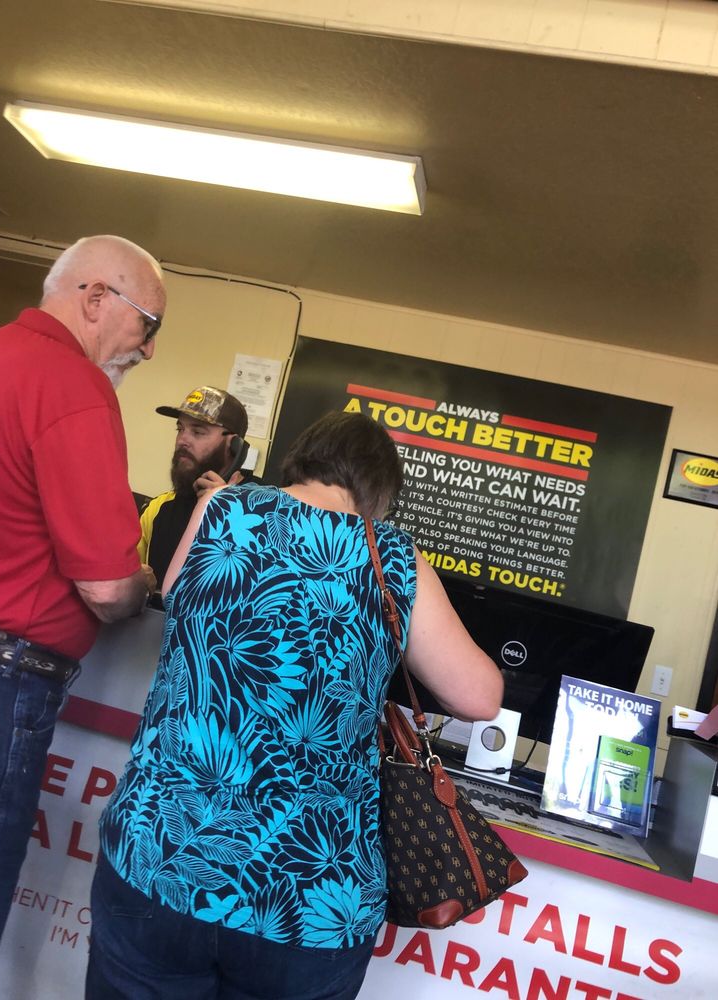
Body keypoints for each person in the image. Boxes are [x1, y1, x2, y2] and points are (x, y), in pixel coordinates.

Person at [86, 411, 503, 1000]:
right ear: (378, 490)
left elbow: (175, 595)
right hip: (309, 897)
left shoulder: (221, 507)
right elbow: (479, 697)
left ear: (303, 458)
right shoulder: (392, 558)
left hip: (162, 853)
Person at [0, 234, 166, 999]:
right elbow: (108, 587)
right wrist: (141, 581)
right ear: (96, 299)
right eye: (149, 324)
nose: (148, 349)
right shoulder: (73, 386)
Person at [138, 385, 250, 592]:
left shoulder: (262, 509)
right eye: (180, 429)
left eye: (198, 432)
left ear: (235, 446)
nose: (183, 440)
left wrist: (227, 511)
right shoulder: (160, 508)